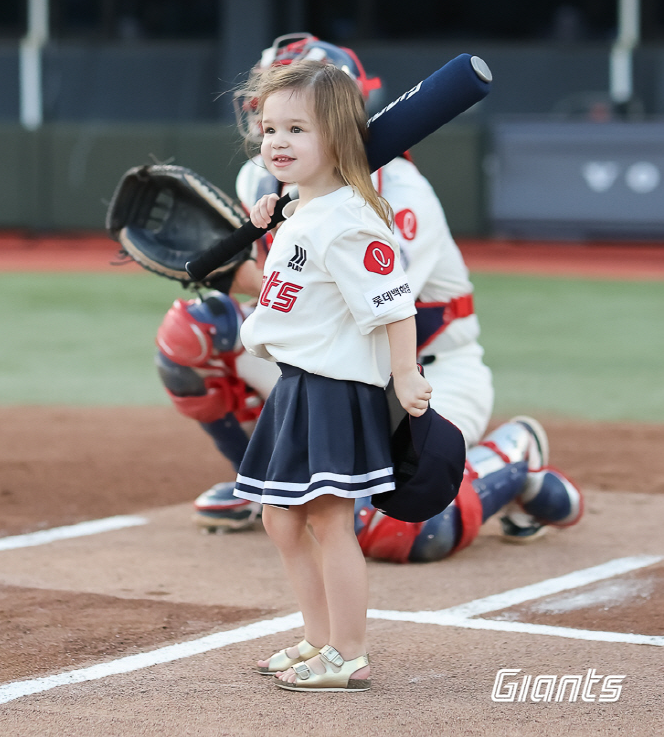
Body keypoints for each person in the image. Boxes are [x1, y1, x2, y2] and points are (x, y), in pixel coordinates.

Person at [154, 33, 582, 559]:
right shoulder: (259, 179)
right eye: (272, 113)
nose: (281, 131)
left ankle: (513, 459)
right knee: (195, 329)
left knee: (401, 531)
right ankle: (266, 483)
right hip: (326, 372)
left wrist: (240, 276)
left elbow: (359, 307)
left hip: (422, 371)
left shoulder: (401, 194)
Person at [235, 59, 431, 691]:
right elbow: (296, 292)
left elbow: (396, 305)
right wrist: (272, 228)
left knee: (327, 520)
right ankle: (317, 638)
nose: (277, 142)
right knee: (279, 518)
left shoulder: (349, 220)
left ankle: (348, 650)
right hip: (297, 386)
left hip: (333, 391)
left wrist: (406, 376)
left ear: (340, 142)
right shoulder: (307, 213)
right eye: (270, 129)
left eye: (298, 129)